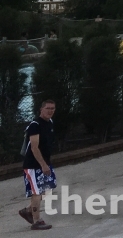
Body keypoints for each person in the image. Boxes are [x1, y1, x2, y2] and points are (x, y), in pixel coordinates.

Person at [19, 99, 57, 230]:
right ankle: (37, 221)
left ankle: (28, 210)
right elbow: (34, 148)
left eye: (52, 108)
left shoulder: (50, 123)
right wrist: (43, 165)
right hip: (33, 165)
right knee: (37, 192)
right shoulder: (35, 125)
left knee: (47, 189)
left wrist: (47, 163)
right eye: (48, 108)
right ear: (41, 109)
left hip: (45, 162)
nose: (50, 111)